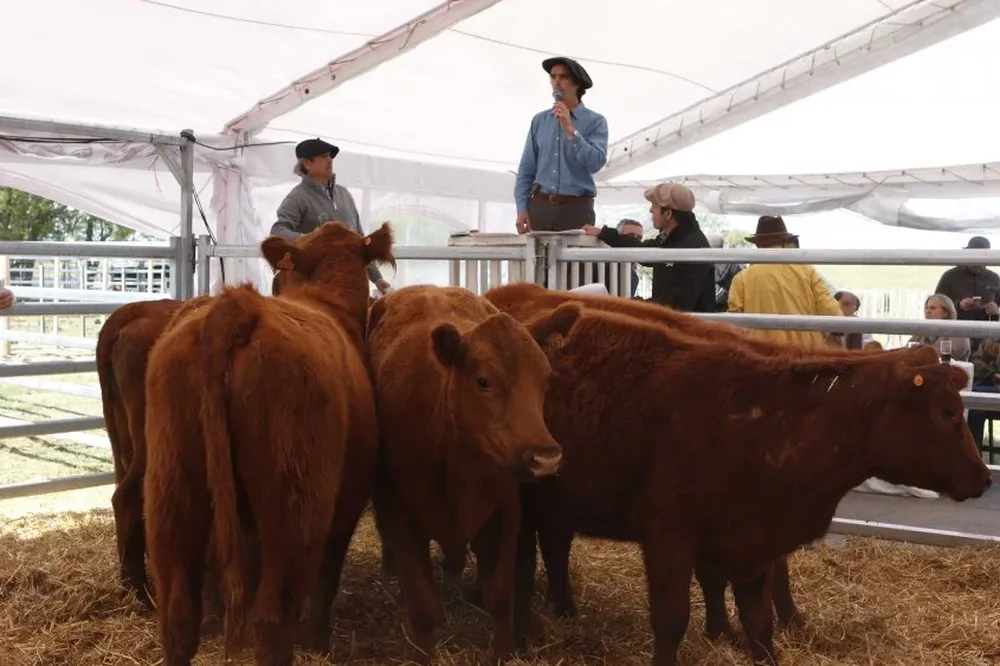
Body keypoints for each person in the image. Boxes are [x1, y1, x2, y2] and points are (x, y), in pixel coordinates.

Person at [270, 138, 391, 294]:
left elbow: (360, 240)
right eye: (323, 156)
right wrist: (313, 239)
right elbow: (278, 231)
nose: (330, 160)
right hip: (315, 288)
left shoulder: (344, 194)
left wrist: (378, 279)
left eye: (330, 156)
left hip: (350, 286)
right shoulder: (297, 197)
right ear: (307, 163)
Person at [582, 182, 714, 312]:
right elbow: (642, 250)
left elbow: (676, 303)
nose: (650, 210)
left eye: (654, 206)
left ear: (668, 213)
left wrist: (635, 306)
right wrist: (603, 233)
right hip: (677, 325)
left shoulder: (692, 248)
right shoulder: (674, 238)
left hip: (688, 330)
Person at [514, 57, 609, 234]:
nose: (556, 82)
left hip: (576, 208)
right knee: (538, 261)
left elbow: (596, 163)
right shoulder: (540, 121)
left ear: (577, 84)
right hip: (540, 207)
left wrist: (571, 131)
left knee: (575, 262)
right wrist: (521, 208)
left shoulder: (595, 122)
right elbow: (527, 169)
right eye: (553, 77)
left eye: (563, 77)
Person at [727, 215, 843, 349]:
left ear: (758, 244)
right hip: (805, 352)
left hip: (762, 354)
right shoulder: (806, 271)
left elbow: (734, 321)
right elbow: (831, 311)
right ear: (784, 241)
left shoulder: (741, 278)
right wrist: (838, 331)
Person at [933, 235, 1000, 352]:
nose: (978, 263)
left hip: (985, 341)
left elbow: (999, 305)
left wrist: (996, 308)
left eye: (983, 258)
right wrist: (959, 305)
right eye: (975, 258)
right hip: (954, 336)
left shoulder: (994, 278)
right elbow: (936, 304)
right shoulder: (950, 276)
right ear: (967, 254)